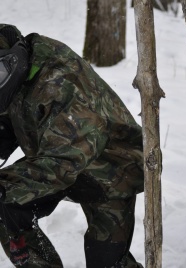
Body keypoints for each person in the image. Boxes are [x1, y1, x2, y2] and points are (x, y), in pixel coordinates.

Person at [0, 24, 144, 268]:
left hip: (112, 170)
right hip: (56, 160)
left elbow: (63, 162)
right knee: (8, 209)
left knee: (108, 263)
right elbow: (10, 117)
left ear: (16, 57)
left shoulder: (61, 82)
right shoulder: (20, 69)